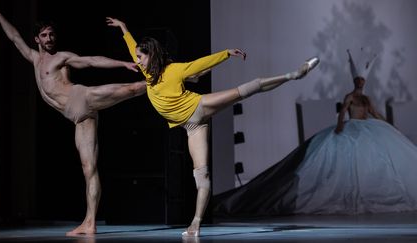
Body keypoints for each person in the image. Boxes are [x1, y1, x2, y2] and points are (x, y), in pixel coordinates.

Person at [105, 17, 319, 237]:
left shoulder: (174, 70)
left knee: (243, 91)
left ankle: (294, 74)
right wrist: (123, 27)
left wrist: (226, 53)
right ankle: (195, 224)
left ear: (151, 55)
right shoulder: (147, 72)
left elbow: (202, 63)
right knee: (202, 176)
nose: (137, 61)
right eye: (138, 57)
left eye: (141, 57)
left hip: (198, 107)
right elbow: (131, 46)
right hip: (191, 127)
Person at [0, 3, 147, 236]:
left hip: (81, 98)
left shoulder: (61, 57)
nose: (49, 38)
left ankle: (172, 78)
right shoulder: (34, 59)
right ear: (37, 40)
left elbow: (91, 60)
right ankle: (89, 222)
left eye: (51, 34)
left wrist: (122, 63)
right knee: (88, 167)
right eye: (44, 35)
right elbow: (13, 37)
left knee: (130, 89)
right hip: (77, 118)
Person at [213, 49, 417, 217]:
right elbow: (344, 111)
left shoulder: (366, 100)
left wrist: (388, 125)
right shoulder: (350, 97)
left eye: (362, 82)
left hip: (366, 128)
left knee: (374, 162)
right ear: (355, 82)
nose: (360, 85)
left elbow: (375, 113)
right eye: (358, 82)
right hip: (352, 127)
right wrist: (339, 124)